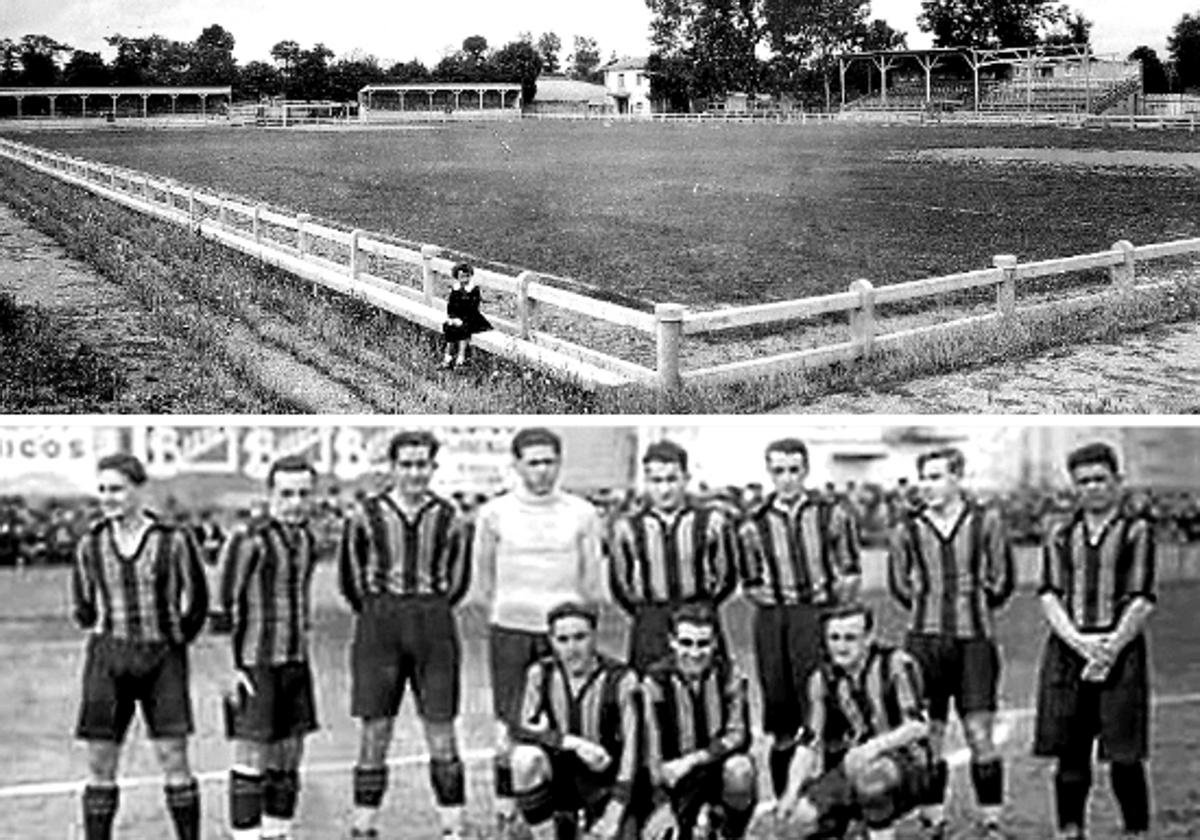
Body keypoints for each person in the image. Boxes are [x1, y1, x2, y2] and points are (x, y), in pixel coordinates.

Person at [338, 431, 474, 840]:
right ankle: (364, 824)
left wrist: (428, 605)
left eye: (422, 464)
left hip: (434, 621)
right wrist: (380, 609)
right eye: (407, 464)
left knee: (441, 726)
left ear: (433, 467)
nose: (415, 473)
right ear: (393, 467)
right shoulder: (365, 515)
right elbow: (349, 578)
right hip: (379, 622)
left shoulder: (451, 517)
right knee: (375, 729)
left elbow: (459, 581)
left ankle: (453, 825)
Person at [471, 427, 606, 835]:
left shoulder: (582, 513)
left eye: (550, 462)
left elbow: (591, 580)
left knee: (569, 721)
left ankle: (569, 809)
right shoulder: (494, 513)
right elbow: (483, 578)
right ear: (516, 465)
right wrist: (509, 610)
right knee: (508, 727)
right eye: (534, 462)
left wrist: (577, 627)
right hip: (511, 631)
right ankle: (505, 810)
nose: (543, 470)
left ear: (559, 463)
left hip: (562, 637)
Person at [70, 453, 209, 840]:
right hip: (107, 659)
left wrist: (173, 639)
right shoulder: (91, 544)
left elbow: (196, 602)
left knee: (173, 757)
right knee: (100, 760)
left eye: (116, 489)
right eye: (102, 490)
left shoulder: (173, 540)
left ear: (138, 490)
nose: (108, 497)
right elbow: (82, 606)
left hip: (163, 659)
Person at [886, 447, 1015, 839]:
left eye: (936, 477)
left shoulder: (986, 522)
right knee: (930, 737)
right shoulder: (906, 528)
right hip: (923, 644)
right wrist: (931, 607)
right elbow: (899, 585)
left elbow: (1002, 582)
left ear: (958, 477)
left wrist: (968, 605)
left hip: (975, 641)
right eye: (924, 477)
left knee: (979, 733)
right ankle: (934, 820)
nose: (928, 485)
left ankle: (991, 821)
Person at [1033, 442, 1155, 840]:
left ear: (1117, 481)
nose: (1092, 488)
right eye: (1083, 481)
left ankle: (1136, 831)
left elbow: (1142, 598)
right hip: (1068, 654)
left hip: (1122, 653)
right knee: (1070, 755)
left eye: (1100, 479)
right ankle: (1070, 832)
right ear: (1074, 486)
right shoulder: (1060, 533)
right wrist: (1081, 645)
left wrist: (1110, 648)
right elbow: (1049, 594)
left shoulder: (1137, 530)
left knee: (1125, 757)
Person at [735, 437, 861, 801]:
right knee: (781, 714)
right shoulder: (752, 524)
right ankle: (788, 804)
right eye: (779, 471)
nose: (787, 479)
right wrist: (780, 603)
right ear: (769, 473)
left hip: (818, 616)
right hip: (773, 622)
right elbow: (750, 582)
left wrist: (831, 614)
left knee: (830, 711)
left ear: (805, 470)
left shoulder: (831, 513)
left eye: (793, 470)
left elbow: (849, 570)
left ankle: (839, 805)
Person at [212, 455, 321, 840]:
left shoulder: (309, 538)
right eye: (286, 493)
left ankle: (277, 833)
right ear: (270, 494)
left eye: (303, 494)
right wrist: (228, 670)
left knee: (289, 756)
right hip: (254, 665)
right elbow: (220, 608)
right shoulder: (248, 539)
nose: (295, 502)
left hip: (295, 662)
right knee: (251, 755)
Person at [776, 604, 932, 840]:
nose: (841, 646)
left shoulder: (896, 664)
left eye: (850, 638)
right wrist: (791, 792)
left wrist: (873, 747)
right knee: (802, 819)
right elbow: (809, 741)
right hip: (854, 764)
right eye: (834, 638)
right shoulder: (821, 680)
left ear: (868, 638)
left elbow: (919, 726)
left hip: (909, 764)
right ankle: (856, 824)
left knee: (871, 779)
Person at [510, 601, 641, 840]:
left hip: (605, 782)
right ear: (551, 641)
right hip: (560, 777)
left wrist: (616, 809)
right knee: (524, 759)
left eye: (580, 637)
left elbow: (634, 750)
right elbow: (520, 728)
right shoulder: (541, 674)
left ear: (595, 636)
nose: (572, 648)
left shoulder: (621, 679)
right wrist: (572, 743)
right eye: (563, 639)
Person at [608, 440, 738, 671]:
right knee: (649, 693)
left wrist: (701, 606)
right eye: (656, 481)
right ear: (646, 482)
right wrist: (647, 612)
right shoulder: (626, 528)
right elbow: (620, 584)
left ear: (686, 479)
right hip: (650, 621)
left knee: (708, 693)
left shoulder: (712, 522)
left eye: (672, 479)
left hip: (699, 616)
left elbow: (726, 577)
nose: (665, 489)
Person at [642, 603, 757, 840]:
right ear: (672, 641)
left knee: (740, 770)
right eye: (686, 643)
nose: (695, 653)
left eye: (703, 644)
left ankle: (731, 831)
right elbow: (650, 747)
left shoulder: (729, 675)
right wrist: (661, 801)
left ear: (715, 643)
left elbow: (737, 735)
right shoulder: (655, 682)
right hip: (672, 773)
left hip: (715, 765)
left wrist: (693, 760)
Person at [441, 262, 492, 369]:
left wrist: (461, 320)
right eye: (462, 277)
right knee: (449, 327)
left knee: (463, 329)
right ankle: (448, 357)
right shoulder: (455, 290)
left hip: (472, 318)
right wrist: (452, 317)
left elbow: (473, 308)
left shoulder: (473, 290)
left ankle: (461, 357)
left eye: (467, 276)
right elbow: (451, 306)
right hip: (457, 317)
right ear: (457, 277)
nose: (465, 279)